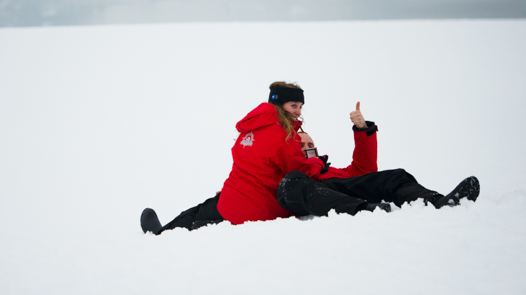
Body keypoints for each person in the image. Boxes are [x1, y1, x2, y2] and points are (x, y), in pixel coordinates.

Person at [140, 81, 330, 235]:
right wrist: (316, 162)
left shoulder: (250, 130)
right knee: (200, 219)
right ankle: (184, 231)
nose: (298, 111)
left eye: (300, 106)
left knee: (195, 213)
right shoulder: (285, 136)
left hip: (231, 198)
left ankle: (162, 234)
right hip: (260, 210)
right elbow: (299, 174)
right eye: (294, 105)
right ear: (280, 106)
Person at [276, 106, 480, 217]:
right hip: (311, 195)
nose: (307, 148)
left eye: (310, 144)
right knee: (293, 180)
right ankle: (364, 211)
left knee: (395, 176)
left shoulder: (333, 171)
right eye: (300, 145)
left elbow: (364, 170)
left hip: (340, 188)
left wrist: (363, 129)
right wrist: (316, 164)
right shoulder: (287, 173)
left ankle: (440, 202)